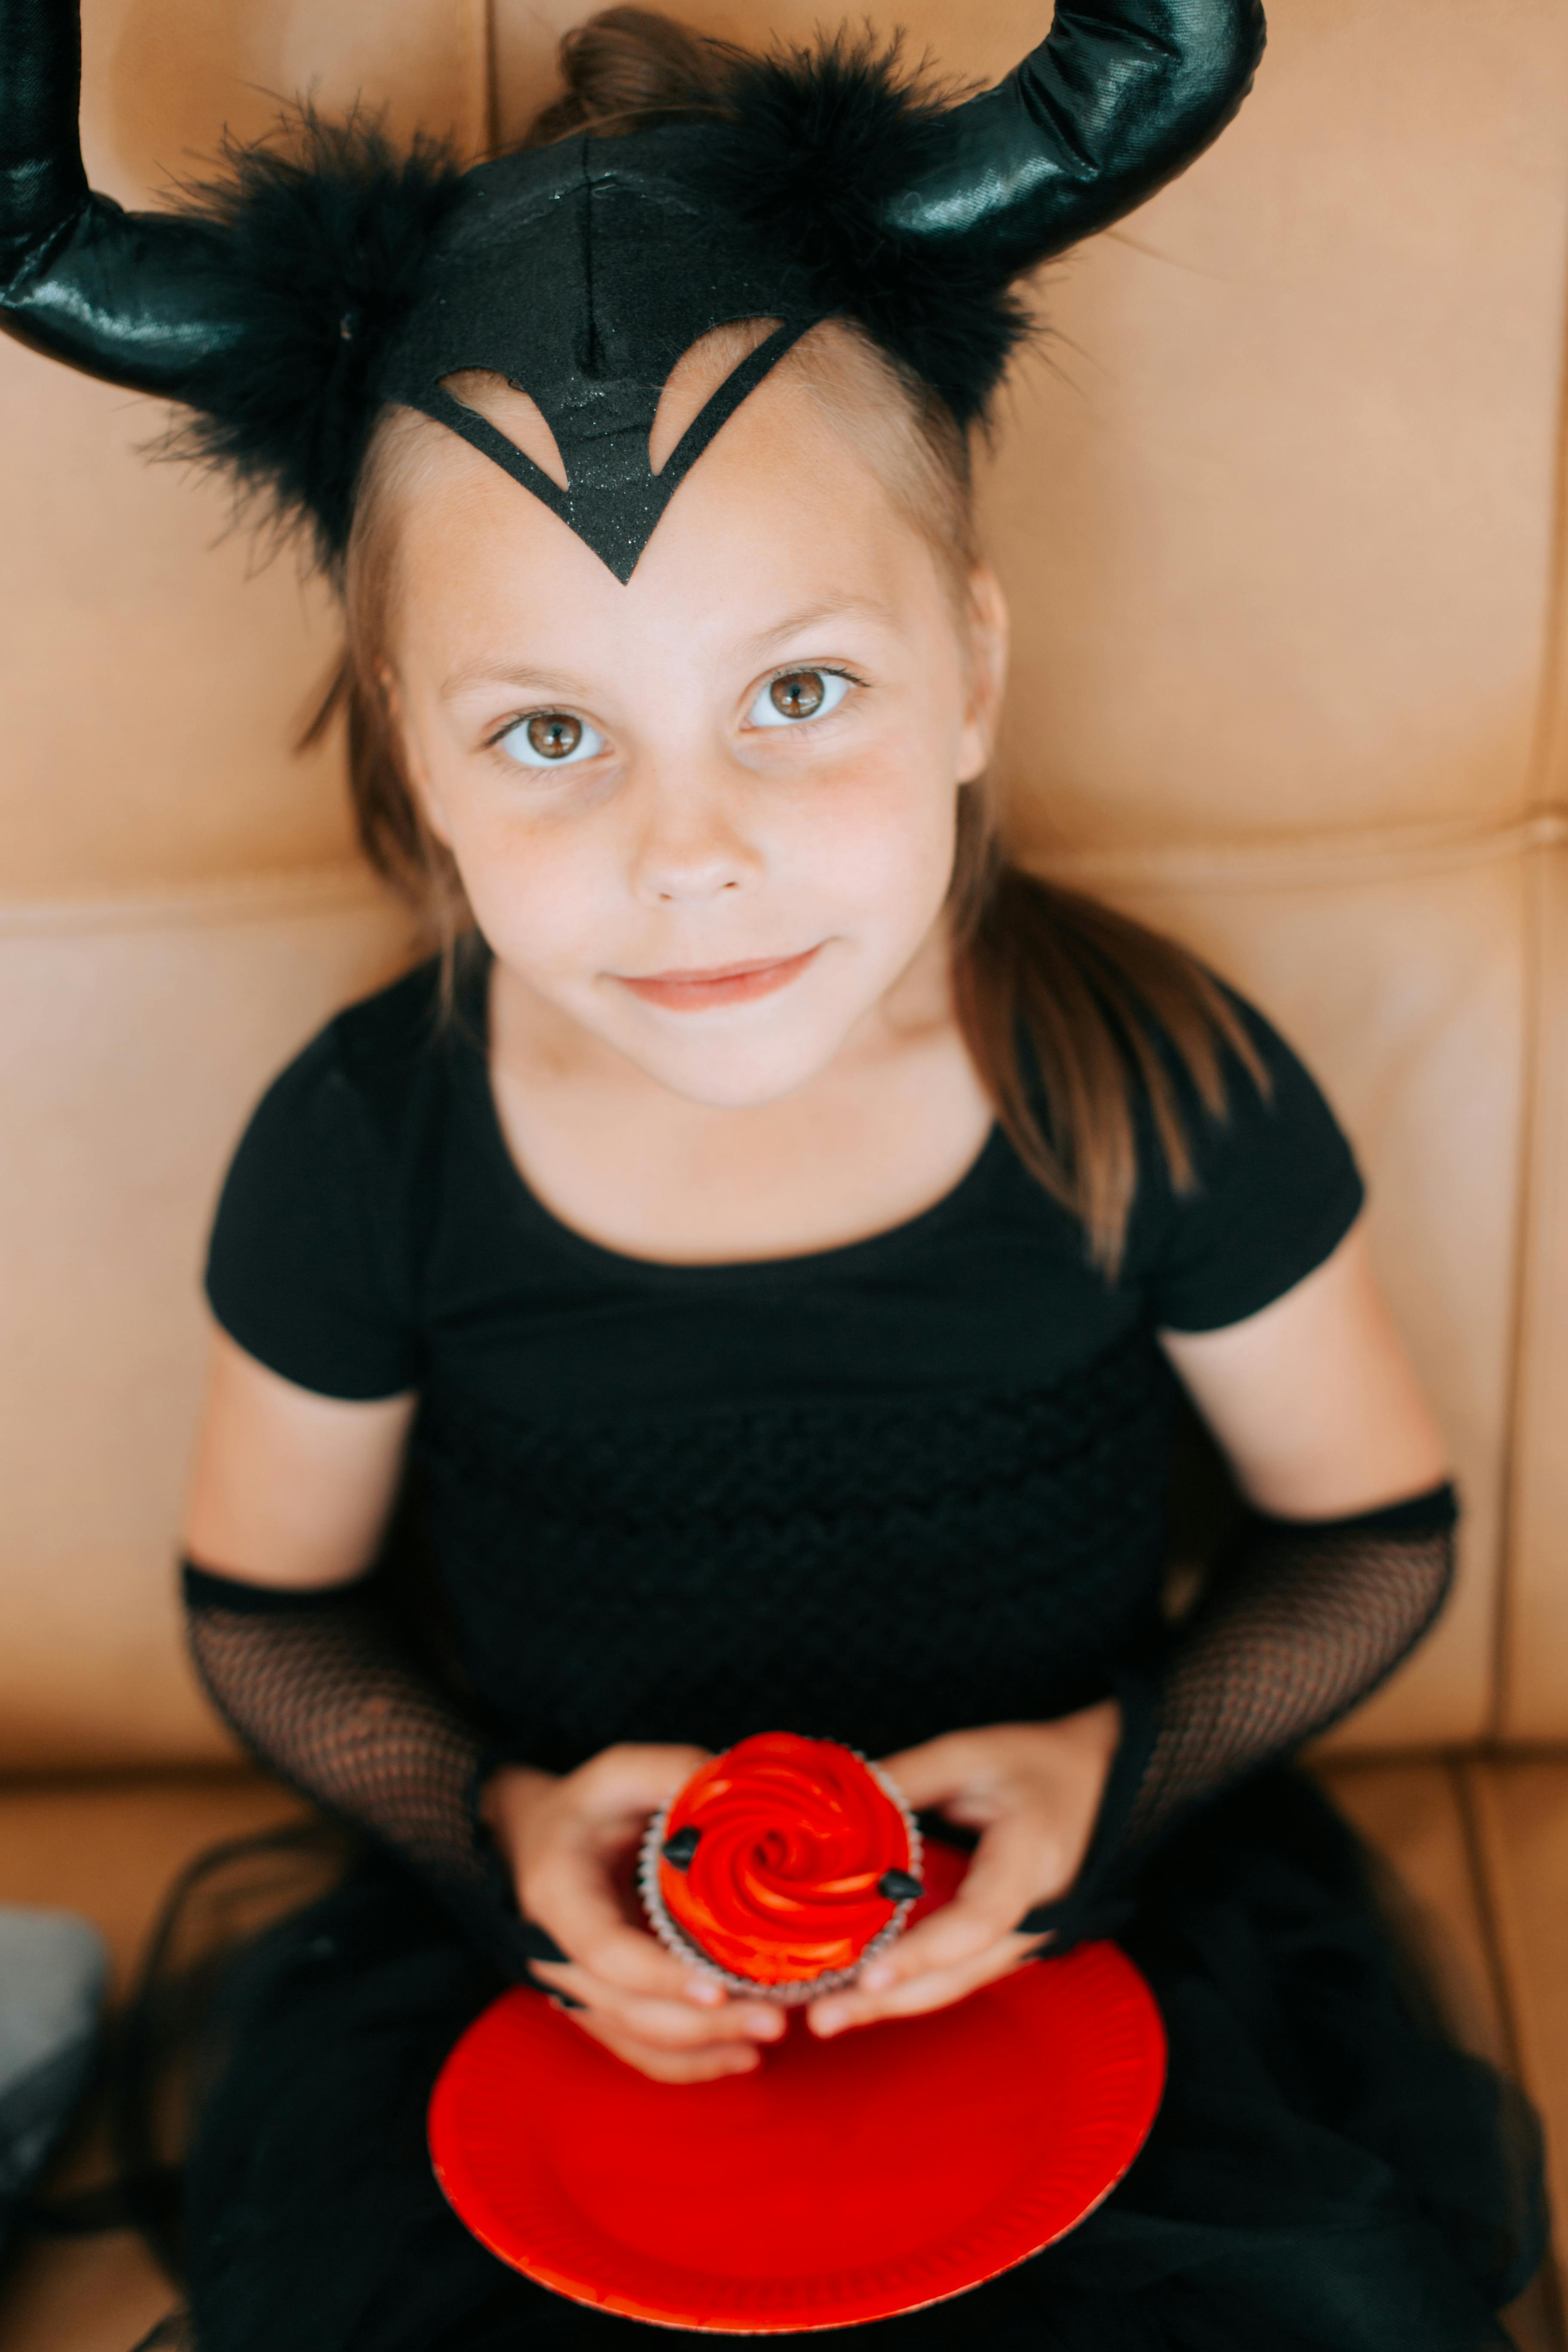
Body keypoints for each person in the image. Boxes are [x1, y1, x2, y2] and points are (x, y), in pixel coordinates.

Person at [1, 1, 1547, 2345]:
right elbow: (270, 1615)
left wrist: (1102, 1792)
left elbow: (1375, 1536)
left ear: (973, 674)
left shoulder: (1159, 1082)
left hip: (1088, 1963)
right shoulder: (366, 1140)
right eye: (548, 734)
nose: (688, 857)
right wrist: (507, 1846)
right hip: (556, 2007)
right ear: (418, 776)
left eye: (798, 696)